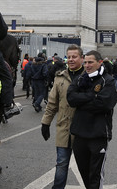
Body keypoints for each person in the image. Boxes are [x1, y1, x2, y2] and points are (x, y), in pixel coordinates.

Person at [67, 50, 117, 189]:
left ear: (100, 62)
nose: (87, 65)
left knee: (95, 175)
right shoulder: (79, 79)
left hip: (98, 135)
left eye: (91, 62)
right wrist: (92, 96)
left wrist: (81, 101)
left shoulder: (108, 80)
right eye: (85, 62)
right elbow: (71, 99)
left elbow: (105, 104)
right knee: (84, 173)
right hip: (79, 134)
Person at [40, 45, 84, 189]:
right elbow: (52, 103)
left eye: (74, 57)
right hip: (64, 127)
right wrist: (45, 123)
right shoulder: (60, 78)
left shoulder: (88, 77)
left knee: (86, 166)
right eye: (68, 57)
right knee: (61, 163)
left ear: (82, 58)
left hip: (84, 130)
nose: (70, 60)